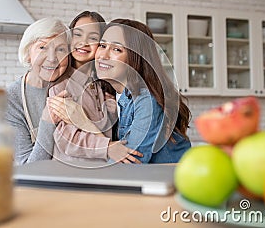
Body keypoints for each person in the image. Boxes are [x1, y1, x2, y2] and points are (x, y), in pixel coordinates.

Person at [50, 19, 191, 163]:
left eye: (117, 49)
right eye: (103, 45)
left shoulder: (146, 100)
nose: (103, 56)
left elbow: (129, 161)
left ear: (135, 57)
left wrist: (85, 123)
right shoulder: (115, 97)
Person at [48, 11, 142, 164]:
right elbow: (66, 139)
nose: (83, 42)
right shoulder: (61, 87)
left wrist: (111, 113)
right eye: (78, 35)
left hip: (103, 170)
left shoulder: (102, 84)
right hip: (73, 173)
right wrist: (107, 147)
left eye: (92, 38)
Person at [5, 18, 71, 165]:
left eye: (60, 49)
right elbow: (28, 167)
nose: (52, 59)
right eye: (42, 48)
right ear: (28, 53)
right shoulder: (11, 99)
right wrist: (48, 122)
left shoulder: (72, 88)